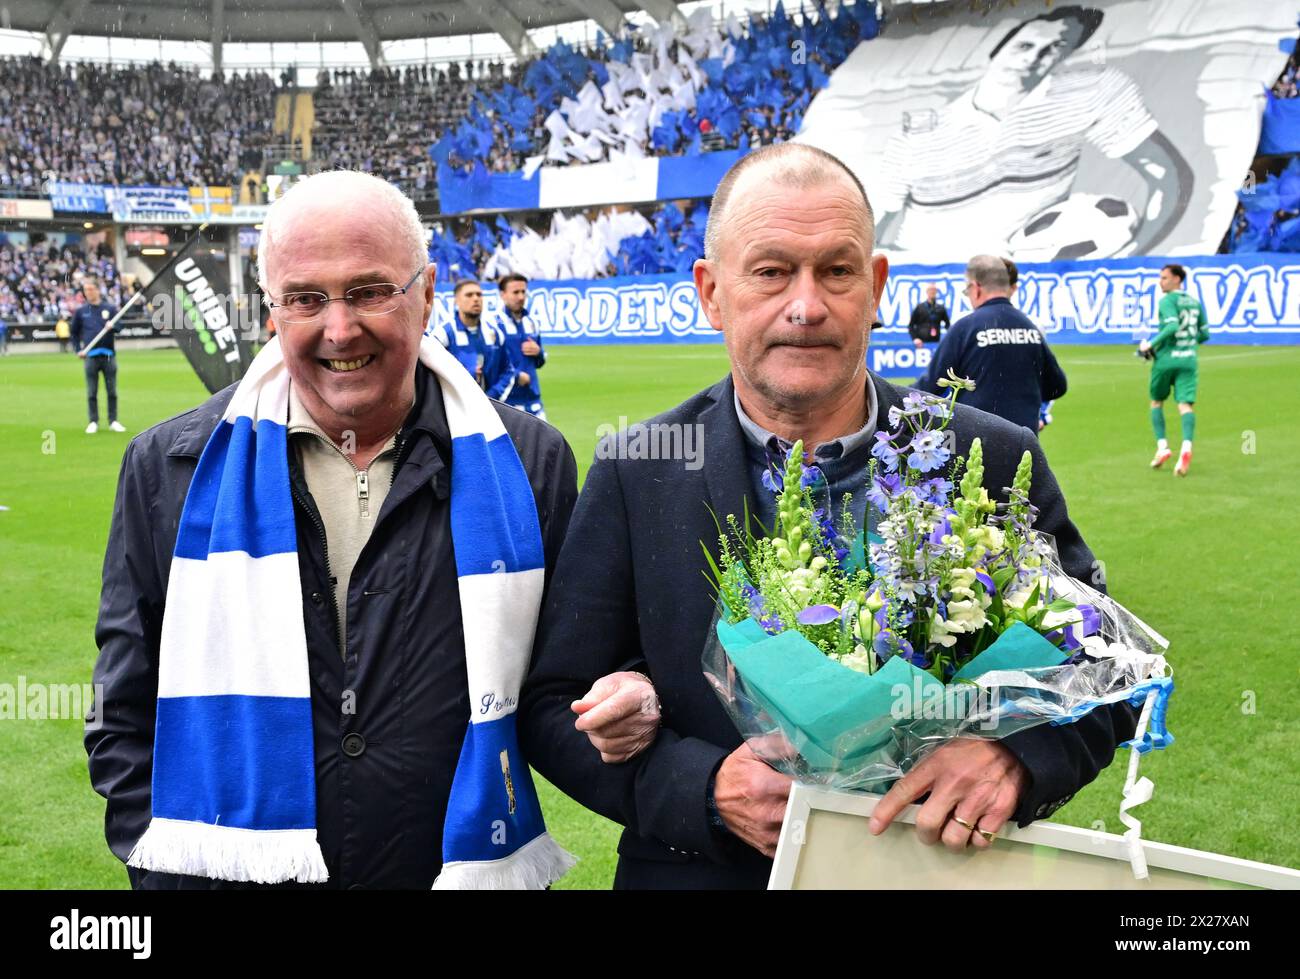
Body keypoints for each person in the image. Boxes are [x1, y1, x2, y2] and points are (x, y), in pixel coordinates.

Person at [519, 144, 1139, 890]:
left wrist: (1016, 757)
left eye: (837, 271)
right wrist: (704, 787)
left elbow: (1107, 667)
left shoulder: (995, 455)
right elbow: (554, 705)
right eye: (772, 270)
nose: (806, 306)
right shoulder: (638, 466)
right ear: (712, 293)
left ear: (876, 286)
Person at [84, 170, 644, 889]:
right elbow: (120, 714)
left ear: (428, 291)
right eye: (306, 298)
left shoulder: (532, 463)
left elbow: (567, 689)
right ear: (270, 311)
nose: (339, 327)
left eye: (369, 290)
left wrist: (633, 698)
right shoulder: (169, 467)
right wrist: (173, 877)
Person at [874, 5, 1190, 259]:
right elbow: (872, 225)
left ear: (1066, 56)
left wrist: (1131, 255)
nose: (1033, 57)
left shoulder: (1086, 96)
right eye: (1025, 45)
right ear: (998, 49)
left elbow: (1169, 176)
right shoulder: (920, 133)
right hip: (930, 273)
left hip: (1014, 275)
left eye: (1055, 48)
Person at [916, 255, 1067, 433]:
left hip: (979, 443)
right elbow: (1057, 386)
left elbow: (931, 386)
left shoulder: (966, 327)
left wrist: (889, 399)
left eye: (967, 290)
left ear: (976, 287)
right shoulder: (1030, 328)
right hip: (1024, 442)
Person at [1139, 263, 1209, 476]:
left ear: (1177, 279)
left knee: (1156, 401)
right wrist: (1187, 343)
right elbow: (1204, 334)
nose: (1161, 282)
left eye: (1165, 278)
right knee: (1185, 405)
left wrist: (1150, 344)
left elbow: (1171, 326)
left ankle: (1163, 448)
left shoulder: (1167, 300)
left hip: (1166, 360)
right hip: (1188, 359)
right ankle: (1186, 448)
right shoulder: (1195, 303)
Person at [432, 279, 515, 400]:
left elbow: (508, 371)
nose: (476, 299)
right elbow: (429, 374)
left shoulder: (494, 333)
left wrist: (493, 397)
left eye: (479, 294)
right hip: (455, 407)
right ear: (456, 301)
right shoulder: (443, 333)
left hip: (491, 407)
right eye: (469, 295)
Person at [71, 279, 126, 434]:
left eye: (90, 289)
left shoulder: (109, 308)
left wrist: (112, 326)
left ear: (97, 290)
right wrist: (78, 349)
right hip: (90, 356)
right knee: (92, 391)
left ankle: (113, 420)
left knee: (112, 391)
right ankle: (93, 421)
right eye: (86, 289)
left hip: (109, 355)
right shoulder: (81, 311)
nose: (88, 292)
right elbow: (74, 333)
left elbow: (121, 326)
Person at [492, 274, 548, 420]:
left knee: (544, 442)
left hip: (533, 400)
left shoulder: (532, 321)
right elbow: (491, 364)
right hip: (507, 401)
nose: (521, 296)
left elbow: (539, 362)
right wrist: (516, 376)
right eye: (515, 292)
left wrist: (538, 352)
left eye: (523, 292)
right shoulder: (493, 324)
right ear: (503, 295)